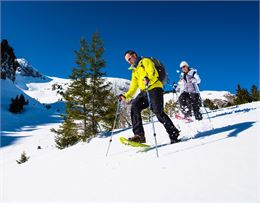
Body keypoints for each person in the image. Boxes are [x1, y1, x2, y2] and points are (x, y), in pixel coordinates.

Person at [118, 50, 180, 144]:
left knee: (158, 112)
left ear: (134, 55)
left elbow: (153, 72)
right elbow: (133, 86)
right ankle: (139, 136)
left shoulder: (145, 61)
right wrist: (125, 96)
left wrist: (149, 79)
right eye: (127, 61)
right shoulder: (135, 70)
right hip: (144, 91)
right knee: (135, 106)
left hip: (154, 87)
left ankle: (173, 133)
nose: (129, 62)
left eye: (130, 59)